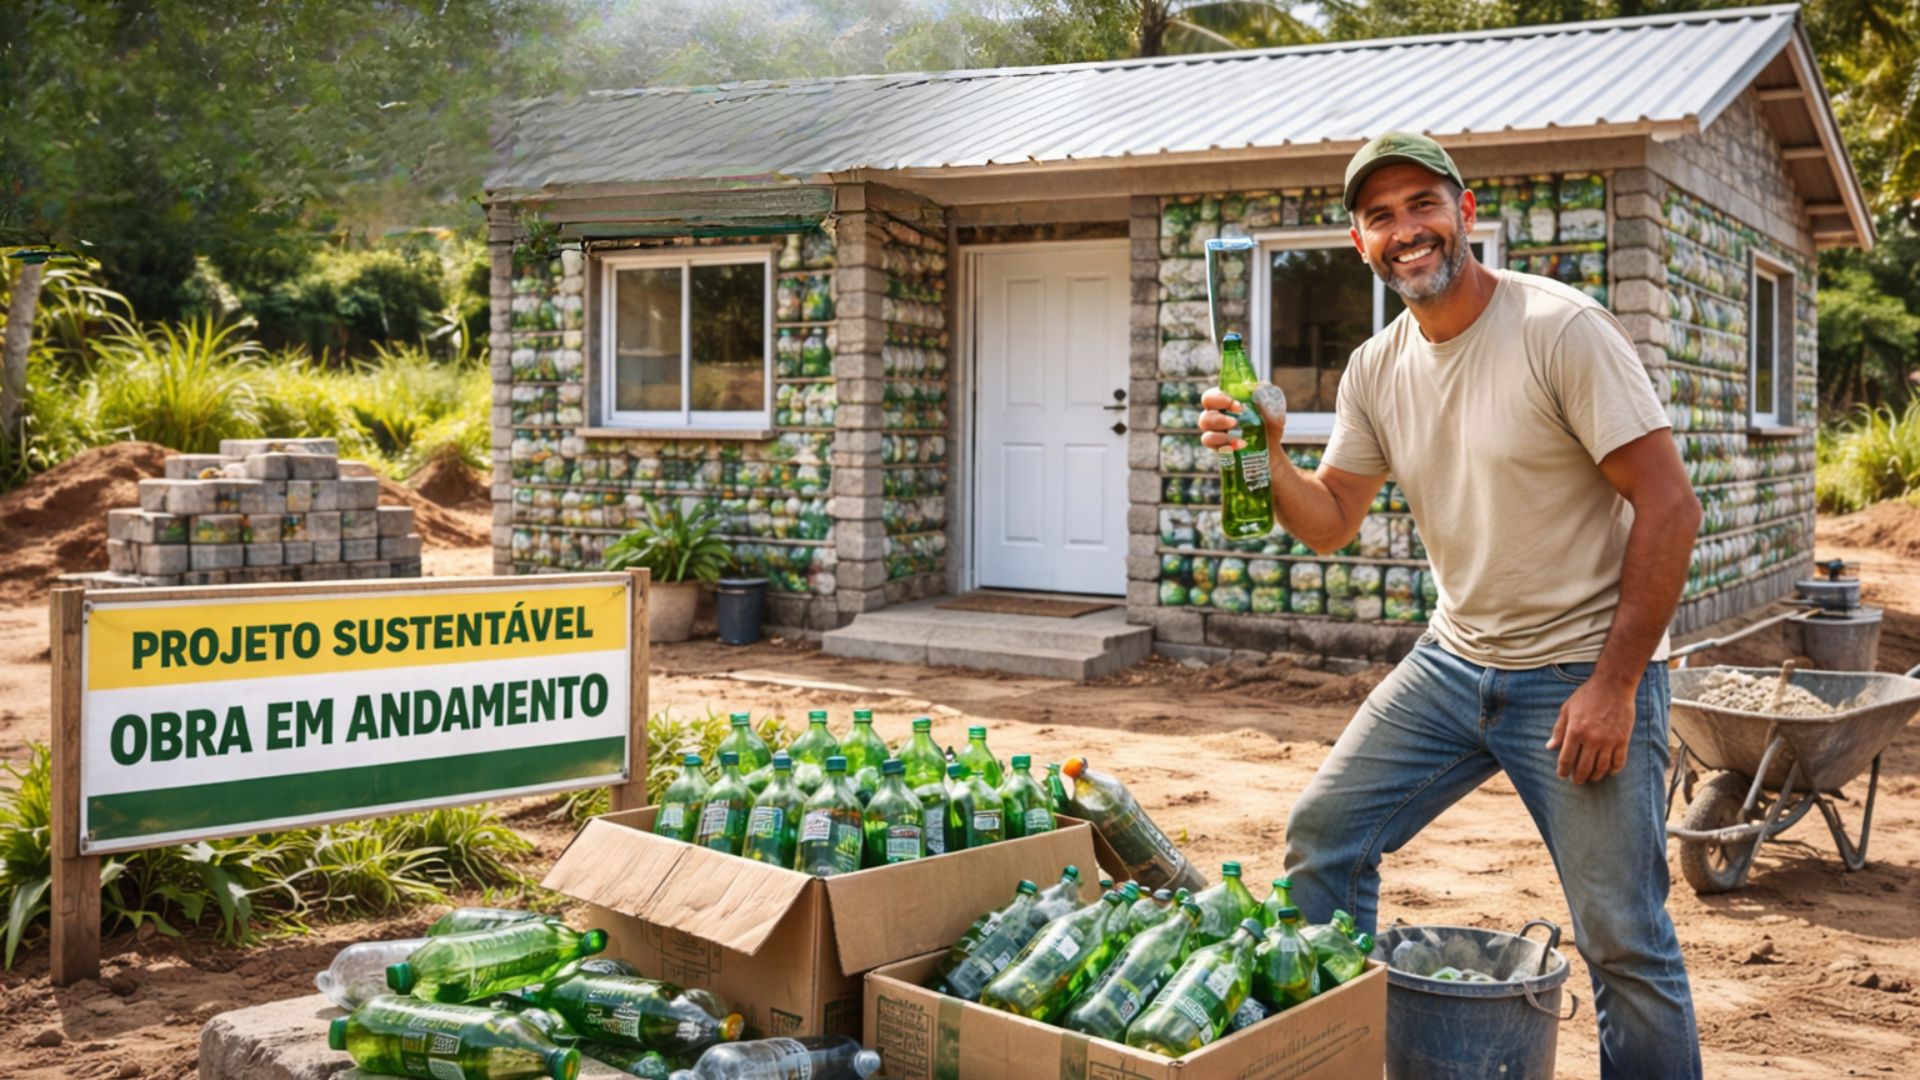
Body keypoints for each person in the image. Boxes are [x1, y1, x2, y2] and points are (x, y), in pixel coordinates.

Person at [1198, 132, 1702, 1079]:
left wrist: (1615, 684)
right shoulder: (1375, 367)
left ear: (1465, 213)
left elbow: (1670, 506)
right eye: (1380, 217)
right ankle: (1332, 1056)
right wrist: (1265, 455)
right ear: (1360, 243)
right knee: (1324, 838)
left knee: (1623, 939)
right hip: (1454, 661)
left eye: (1422, 205)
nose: (1406, 231)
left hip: (1577, 671)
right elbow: (1331, 519)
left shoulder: (1559, 329)